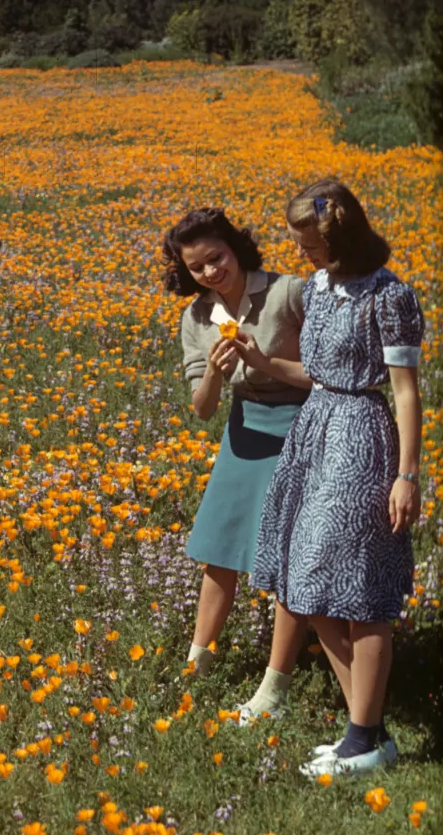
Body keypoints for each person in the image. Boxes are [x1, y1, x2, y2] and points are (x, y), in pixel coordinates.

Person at [250, 178, 423, 777]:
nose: (300, 254)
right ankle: (369, 734)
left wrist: (406, 474)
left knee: (362, 589)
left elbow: (406, 394)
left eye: (308, 243)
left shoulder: (388, 295)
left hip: (363, 438)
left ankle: (362, 739)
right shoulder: (321, 288)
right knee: (308, 581)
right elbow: (316, 371)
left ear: (341, 234)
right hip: (315, 434)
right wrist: (262, 362)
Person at [163, 208, 312, 721]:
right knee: (218, 548)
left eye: (216, 257)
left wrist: (263, 362)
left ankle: (275, 687)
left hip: (300, 424)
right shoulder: (197, 318)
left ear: (235, 249)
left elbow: (330, 372)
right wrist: (217, 377)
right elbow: (202, 408)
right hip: (244, 428)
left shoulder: (288, 293)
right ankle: (196, 663)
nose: (210, 272)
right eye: (197, 267)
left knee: (285, 557)